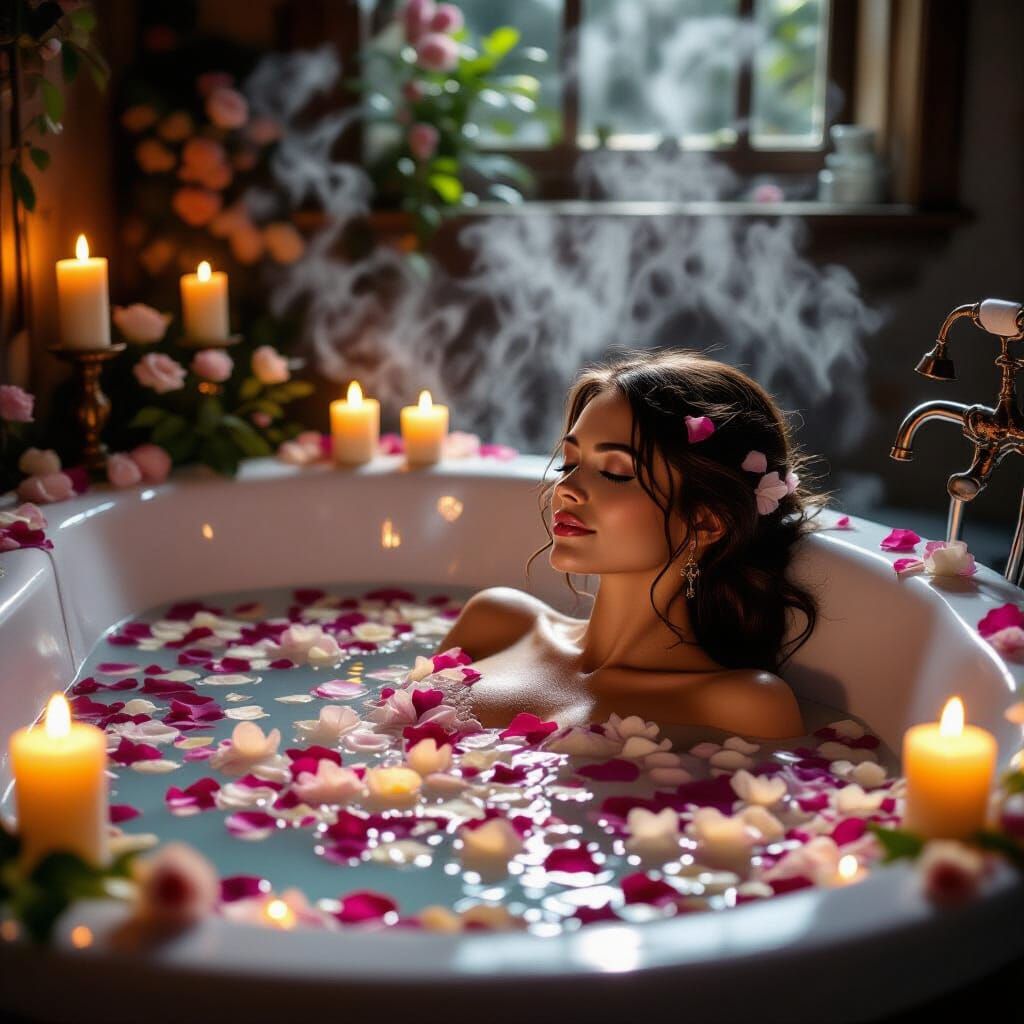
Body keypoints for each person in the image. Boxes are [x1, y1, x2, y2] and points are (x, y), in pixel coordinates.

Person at [436, 347, 829, 739]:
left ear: (705, 521)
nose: (567, 488)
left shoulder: (742, 704)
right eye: (569, 464)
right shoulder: (496, 622)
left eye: (615, 473)